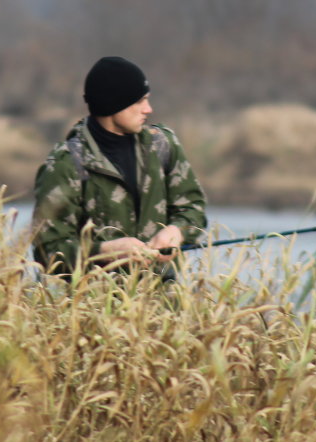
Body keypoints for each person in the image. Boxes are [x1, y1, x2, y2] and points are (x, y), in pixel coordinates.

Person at [32, 56, 207, 277]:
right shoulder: (66, 163)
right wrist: (104, 252)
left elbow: (193, 208)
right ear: (113, 104)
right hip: (93, 307)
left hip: (164, 307)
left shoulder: (163, 145)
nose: (148, 109)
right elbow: (47, 252)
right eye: (139, 101)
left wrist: (176, 232)